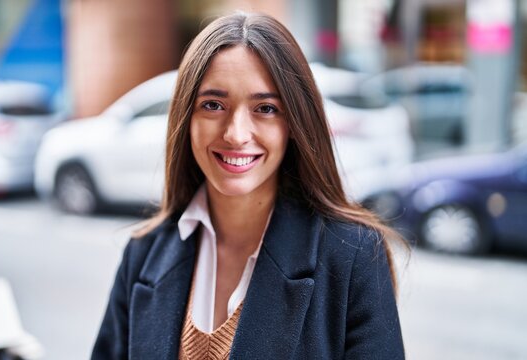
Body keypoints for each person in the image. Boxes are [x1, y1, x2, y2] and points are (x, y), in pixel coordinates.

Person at [92, 11, 405, 360]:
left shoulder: (352, 255)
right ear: (186, 117)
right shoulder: (143, 253)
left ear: (296, 123)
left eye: (265, 108)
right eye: (213, 105)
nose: (236, 134)